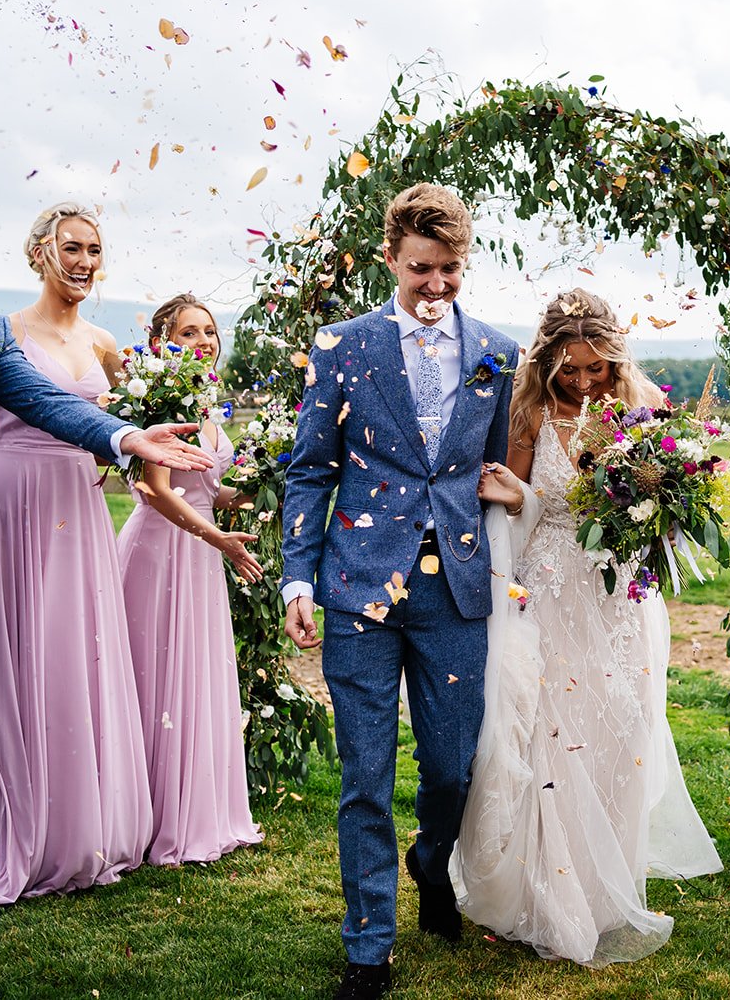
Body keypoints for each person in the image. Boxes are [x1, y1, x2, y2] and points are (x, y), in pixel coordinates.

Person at [279, 184, 519, 1000]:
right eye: (422, 268)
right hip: (357, 587)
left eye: (451, 269)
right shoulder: (342, 345)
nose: (437, 285)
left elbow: (490, 464)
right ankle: (368, 947)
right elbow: (310, 468)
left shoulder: (497, 351)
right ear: (390, 256)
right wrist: (296, 578)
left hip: (455, 584)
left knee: (453, 767)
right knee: (366, 774)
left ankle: (431, 862)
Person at [450, 289, 722, 967]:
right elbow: (511, 507)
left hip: (619, 598)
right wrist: (522, 497)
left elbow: (665, 502)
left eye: (595, 368)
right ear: (548, 361)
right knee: (555, 736)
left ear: (614, 359)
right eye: (569, 369)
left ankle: (602, 891)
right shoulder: (532, 411)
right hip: (549, 588)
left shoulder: (641, 410)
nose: (582, 381)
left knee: (619, 731)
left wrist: (657, 509)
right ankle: (550, 894)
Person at [0, 201, 166, 904]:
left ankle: (74, 820)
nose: (84, 260)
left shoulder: (107, 344)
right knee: (6, 653)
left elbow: (112, 419)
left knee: (70, 654)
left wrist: (128, 452)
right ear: (39, 253)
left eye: (94, 249)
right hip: (10, 500)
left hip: (77, 507)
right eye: (72, 247)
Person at [116, 295, 263, 866]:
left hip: (199, 558)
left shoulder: (208, 407)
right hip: (158, 555)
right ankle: (144, 816)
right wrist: (217, 538)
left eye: (209, 331)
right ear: (163, 342)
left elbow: (209, 492)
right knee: (154, 681)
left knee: (193, 677)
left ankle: (192, 809)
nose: (203, 341)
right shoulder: (158, 398)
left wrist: (260, 482)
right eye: (188, 332)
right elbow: (155, 490)